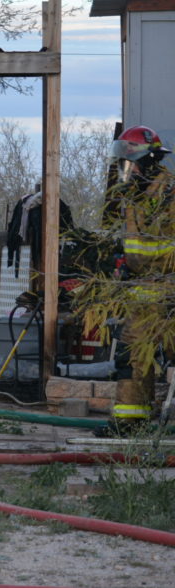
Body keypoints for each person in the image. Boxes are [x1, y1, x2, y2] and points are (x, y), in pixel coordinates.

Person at [94, 125, 173, 437]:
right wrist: (122, 263)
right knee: (131, 355)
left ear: (150, 161)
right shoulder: (132, 198)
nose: (127, 169)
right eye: (124, 162)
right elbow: (136, 245)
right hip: (143, 293)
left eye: (132, 162)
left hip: (169, 290)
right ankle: (130, 422)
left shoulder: (170, 194)